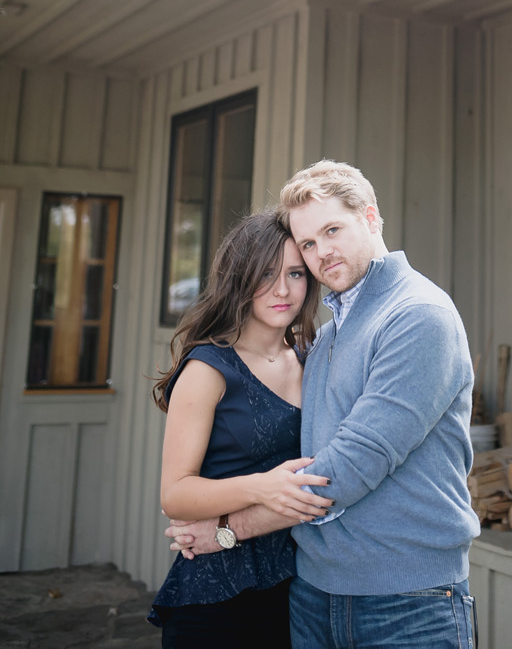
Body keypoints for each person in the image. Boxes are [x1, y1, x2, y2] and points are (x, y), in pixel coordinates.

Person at [166, 159, 481, 649]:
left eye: (332, 230)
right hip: (312, 595)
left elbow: (348, 469)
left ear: (371, 218)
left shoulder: (418, 316)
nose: (321, 254)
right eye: (308, 243)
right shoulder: (329, 336)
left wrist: (228, 531)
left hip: (404, 599)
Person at [150, 209, 333, 648]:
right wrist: (262, 487)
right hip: (217, 600)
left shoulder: (315, 359)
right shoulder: (209, 368)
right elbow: (175, 494)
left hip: (300, 589)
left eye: (295, 273)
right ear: (240, 278)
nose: (283, 290)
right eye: (266, 273)